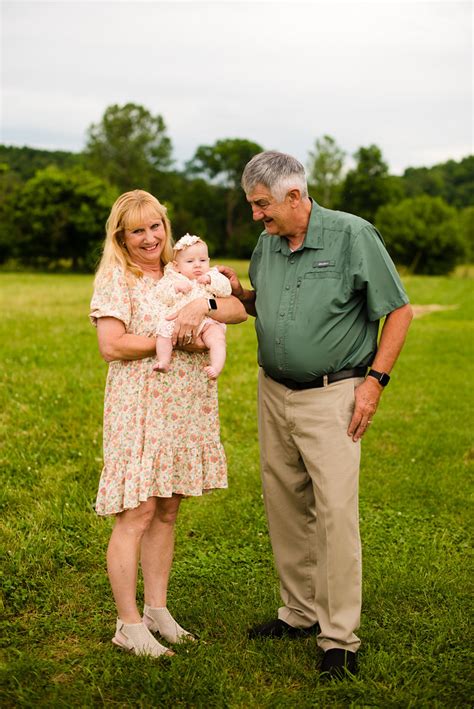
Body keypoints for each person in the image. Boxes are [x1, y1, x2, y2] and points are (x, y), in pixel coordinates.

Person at [218, 151, 413, 680]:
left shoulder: (353, 236)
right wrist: (239, 294)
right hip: (274, 392)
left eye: (262, 206)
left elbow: (398, 310)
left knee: (333, 514)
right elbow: (267, 301)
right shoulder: (268, 243)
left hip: (335, 395)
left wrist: (375, 382)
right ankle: (299, 613)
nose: (257, 216)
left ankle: (340, 638)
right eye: (253, 206)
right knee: (284, 503)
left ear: (295, 197)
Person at [89, 189, 247, 658]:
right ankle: (128, 624)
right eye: (137, 230)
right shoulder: (119, 277)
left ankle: (157, 611)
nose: (149, 237)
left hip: (183, 405)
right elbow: (112, 344)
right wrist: (177, 338)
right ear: (122, 235)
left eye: (155, 226)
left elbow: (238, 309)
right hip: (140, 407)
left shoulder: (183, 269)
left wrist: (209, 307)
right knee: (136, 512)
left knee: (167, 509)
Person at [154, 233, 231, 379]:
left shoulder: (213, 275)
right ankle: (164, 360)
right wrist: (175, 288)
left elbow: (226, 290)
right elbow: (162, 294)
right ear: (177, 266)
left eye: (202, 260)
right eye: (190, 261)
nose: (197, 265)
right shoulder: (173, 278)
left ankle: (216, 367)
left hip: (208, 322)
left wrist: (210, 280)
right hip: (179, 321)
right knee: (163, 332)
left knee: (217, 339)